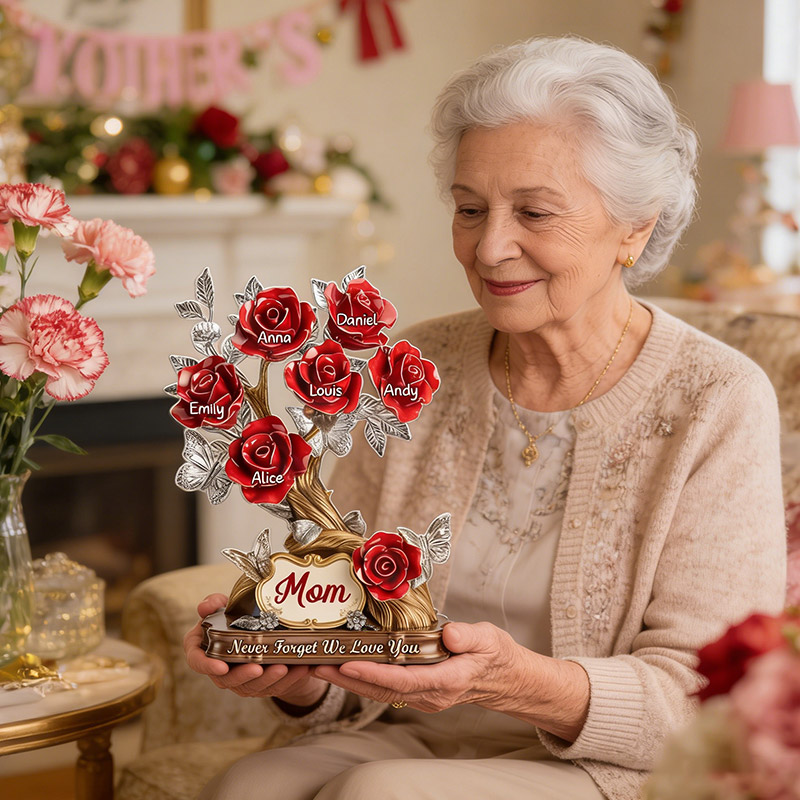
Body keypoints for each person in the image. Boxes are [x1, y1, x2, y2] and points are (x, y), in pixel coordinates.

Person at [185, 36, 787, 800]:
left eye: (534, 211)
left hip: (611, 767)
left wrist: (515, 682)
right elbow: (349, 632)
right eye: (470, 209)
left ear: (636, 225)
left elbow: (707, 703)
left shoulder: (717, 398)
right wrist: (296, 675)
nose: (490, 247)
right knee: (249, 787)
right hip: (404, 733)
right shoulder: (410, 368)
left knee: (381, 796)